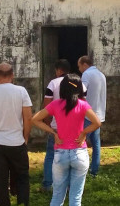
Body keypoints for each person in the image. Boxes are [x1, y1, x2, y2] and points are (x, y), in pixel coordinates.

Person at [32, 74, 101, 206]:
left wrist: (53, 132)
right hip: (79, 153)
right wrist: (84, 133)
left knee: (57, 197)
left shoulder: (55, 104)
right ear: (79, 89)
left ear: (62, 88)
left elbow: (35, 119)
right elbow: (97, 123)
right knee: (75, 198)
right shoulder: (83, 104)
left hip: (60, 154)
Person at [0, 62, 32, 206]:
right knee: (22, 177)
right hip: (17, 141)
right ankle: (22, 203)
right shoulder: (21, 91)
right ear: (12, 76)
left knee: (1, 180)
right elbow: (28, 117)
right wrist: (26, 136)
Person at [41, 59, 70, 192]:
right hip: (73, 127)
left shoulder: (53, 83)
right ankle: (69, 185)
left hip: (56, 126)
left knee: (51, 155)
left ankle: (47, 184)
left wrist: (48, 125)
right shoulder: (78, 83)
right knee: (70, 155)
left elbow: (46, 106)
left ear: (58, 70)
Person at [78, 56, 106, 177]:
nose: (79, 69)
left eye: (79, 66)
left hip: (88, 114)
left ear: (84, 64)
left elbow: (82, 92)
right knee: (96, 144)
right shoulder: (101, 75)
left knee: (79, 143)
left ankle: (79, 170)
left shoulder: (86, 75)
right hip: (99, 114)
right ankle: (94, 171)